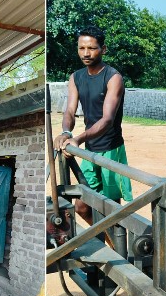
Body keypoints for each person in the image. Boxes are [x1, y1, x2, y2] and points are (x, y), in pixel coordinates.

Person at [54, 25, 133, 224]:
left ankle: (118, 246)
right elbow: (70, 110)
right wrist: (65, 131)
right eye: (82, 48)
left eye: (92, 48)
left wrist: (78, 138)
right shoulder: (76, 77)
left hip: (111, 149)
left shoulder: (113, 77)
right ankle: (109, 240)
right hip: (90, 150)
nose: (86, 53)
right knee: (81, 206)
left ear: (103, 49)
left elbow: (107, 120)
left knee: (110, 207)